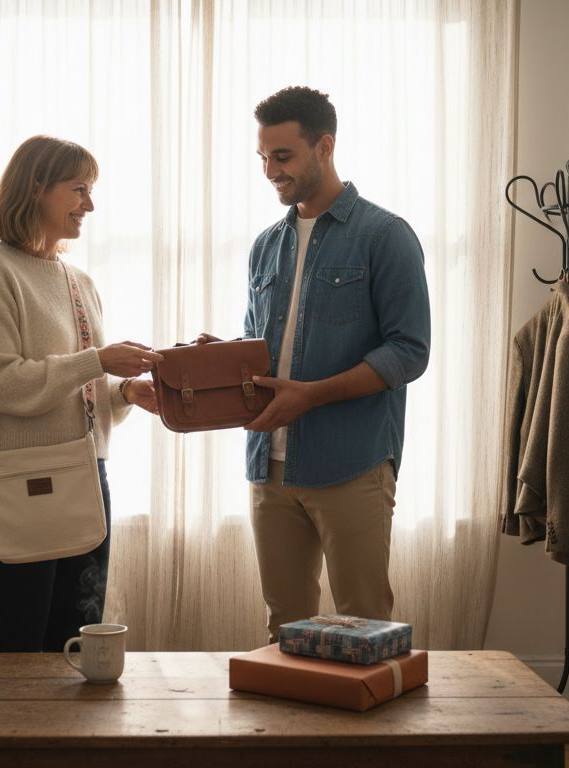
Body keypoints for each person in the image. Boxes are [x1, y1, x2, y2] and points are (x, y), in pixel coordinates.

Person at [208, 86, 431, 642]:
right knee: (284, 626)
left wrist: (312, 395)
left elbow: (410, 350)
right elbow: (264, 345)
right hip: (269, 466)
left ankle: (368, 734)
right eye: (262, 158)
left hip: (351, 461)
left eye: (281, 157)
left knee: (366, 624)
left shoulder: (386, 236)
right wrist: (223, 358)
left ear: (324, 146)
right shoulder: (265, 245)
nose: (269, 172)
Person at [0, 135, 163, 652]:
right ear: (37, 187)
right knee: (17, 646)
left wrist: (127, 392)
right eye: (80, 189)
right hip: (23, 481)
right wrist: (97, 361)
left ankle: (68, 738)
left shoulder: (79, 281)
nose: (90, 205)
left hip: (88, 476)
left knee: (78, 643)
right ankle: (11, 737)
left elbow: (82, 393)